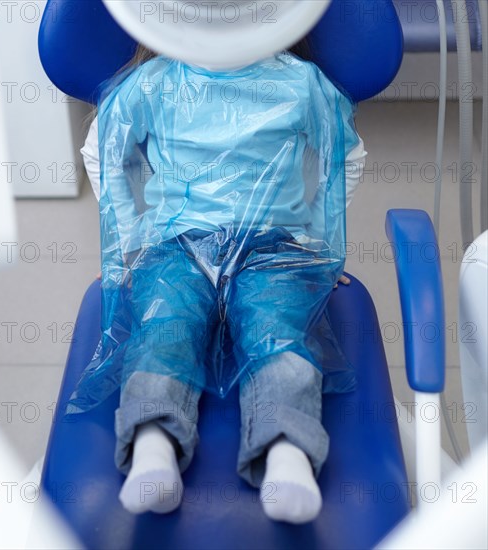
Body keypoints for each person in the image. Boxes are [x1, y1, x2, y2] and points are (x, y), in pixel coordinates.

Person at [80, 44, 366, 524]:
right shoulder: (155, 82)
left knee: (277, 331)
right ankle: (154, 447)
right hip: (177, 244)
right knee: (165, 329)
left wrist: (318, 240)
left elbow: (346, 157)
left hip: (272, 246)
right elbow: (102, 150)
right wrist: (129, 244)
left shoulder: (298, 83)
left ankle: (287, 453)